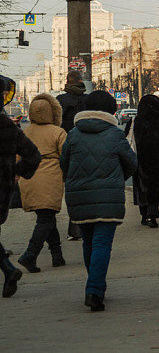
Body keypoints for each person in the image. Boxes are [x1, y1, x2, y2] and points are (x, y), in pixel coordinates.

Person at [60, 90, 137, 312]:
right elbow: (132, 163)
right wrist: (115, 179)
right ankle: (94, 289)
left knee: (88, 242)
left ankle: (96, 286)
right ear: (111, 110)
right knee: (102, 243)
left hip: (79, 196)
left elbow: (64, 164)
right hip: (108, 198)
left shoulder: (73, 134)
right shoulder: (115, 134)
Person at [16, 94, 67, 273]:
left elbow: (17, 157)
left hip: (28, 178)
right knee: (46, 218)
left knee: (46, 216)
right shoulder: (58, 132)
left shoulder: (25, 132)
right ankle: (30, 254)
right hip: (50, 177)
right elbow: (65, 157)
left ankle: (57, 255)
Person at [0, 75, 41, 297]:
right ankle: (8, 271)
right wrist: (16, 171)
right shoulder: (7, 126)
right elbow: (33, 156)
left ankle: (9, 270)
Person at [125, 94, 159, 228]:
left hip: (139, 162)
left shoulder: (134, 122)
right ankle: (152, 215)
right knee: (155, 188)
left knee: (142, 189)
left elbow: (125, 140)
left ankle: (144, 215)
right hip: (157, 162)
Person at [56, 70, 88, 241]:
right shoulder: (88, 100)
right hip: (88, 149)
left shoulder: (60, 101)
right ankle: (87, 226)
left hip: (68, 151)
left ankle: (74, 228)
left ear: (67, 82)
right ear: (81, 81)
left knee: (72, 189)